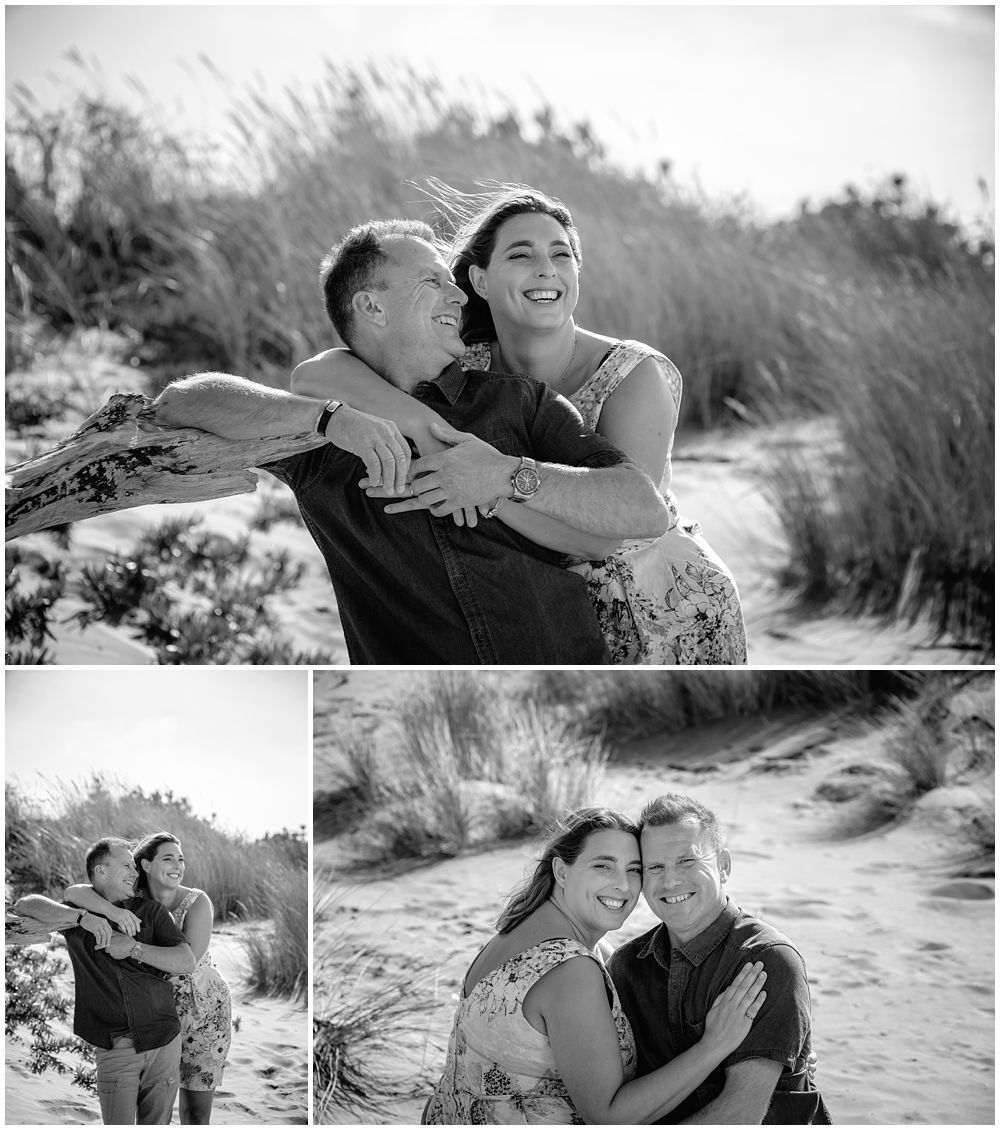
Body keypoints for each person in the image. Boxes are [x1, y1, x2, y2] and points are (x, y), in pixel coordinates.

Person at [153, 219, 669, 664]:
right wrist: (330, 421)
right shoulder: (325, 434)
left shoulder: (518, 402)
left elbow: (644, 510)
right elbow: (182, 403)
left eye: (453, 282)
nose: (460, 296)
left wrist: (503, 477)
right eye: (432, 281)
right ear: (372, 307)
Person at [292, 185, 747, 664]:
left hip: (667, 608)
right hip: (553, 615)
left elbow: (610, 535)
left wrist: (489, 486)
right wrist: (423, 426)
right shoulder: (463, 361)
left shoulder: (631, 374)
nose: (546, 268)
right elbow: (319, 372)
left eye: (562, 254)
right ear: (480, 282)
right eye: (521, 254)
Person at [422, 807, 768, 1124]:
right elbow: (610, 1117)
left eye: (635, 870)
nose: (621, 884)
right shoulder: (571, 971)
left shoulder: (516, 933)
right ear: (561, 870)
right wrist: (714, 1046)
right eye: (603, 865)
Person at [607, 794, 831, 1124]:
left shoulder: (766, 962)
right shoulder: (627, 968)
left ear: (723, 866)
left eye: (687, 861)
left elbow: (740, 1115)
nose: (670, 881)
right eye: (655, 866)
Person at [8, 837, 195, 1125]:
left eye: (134, 866)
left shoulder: (151, 911)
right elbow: (26, 904)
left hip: (164, 1043)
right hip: (116, 1049)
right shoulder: (75, 913)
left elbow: (186, 961)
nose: (134, 873)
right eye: (126, 866)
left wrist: (134, 948)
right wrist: (83, 917)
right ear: (102, 872)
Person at [64, 833, 232, 1125]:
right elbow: (74, 892)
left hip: (203, 1010)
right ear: (146, 865)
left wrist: (131, 947)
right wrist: (109, 911)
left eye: (181, 859)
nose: (178, 865)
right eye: (168, 858)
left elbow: (185, 963)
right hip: (155, 1014)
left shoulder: (196, 901)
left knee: (195, 1111)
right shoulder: (131, 893)